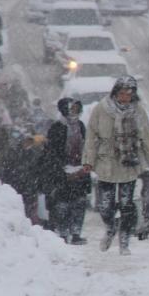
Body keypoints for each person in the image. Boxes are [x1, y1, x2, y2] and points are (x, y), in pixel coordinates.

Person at [82, 76, 149, 256]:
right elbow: (91, 137)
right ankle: (110, 227)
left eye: (129, 93)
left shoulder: (138, 112)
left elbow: (147, 139)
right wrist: (88, 160)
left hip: (129, 163)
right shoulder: (101, 110)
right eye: (122, 93)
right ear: (115, 93)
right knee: (105, 206)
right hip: (106, 164)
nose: (125, 97)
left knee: (127, 205)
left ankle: (124, 241)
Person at [44, 98, 90, 244]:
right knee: (63, 204)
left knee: (79, 203)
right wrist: (61, 170)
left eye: (77, 109)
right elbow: (51, 152)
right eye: (71, 109)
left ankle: (76, 233)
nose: (74, 112)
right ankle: (63, 233)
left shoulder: (81, 126)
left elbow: (87, 146)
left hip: (80, 171)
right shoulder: (56, 127)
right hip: (62, 173)